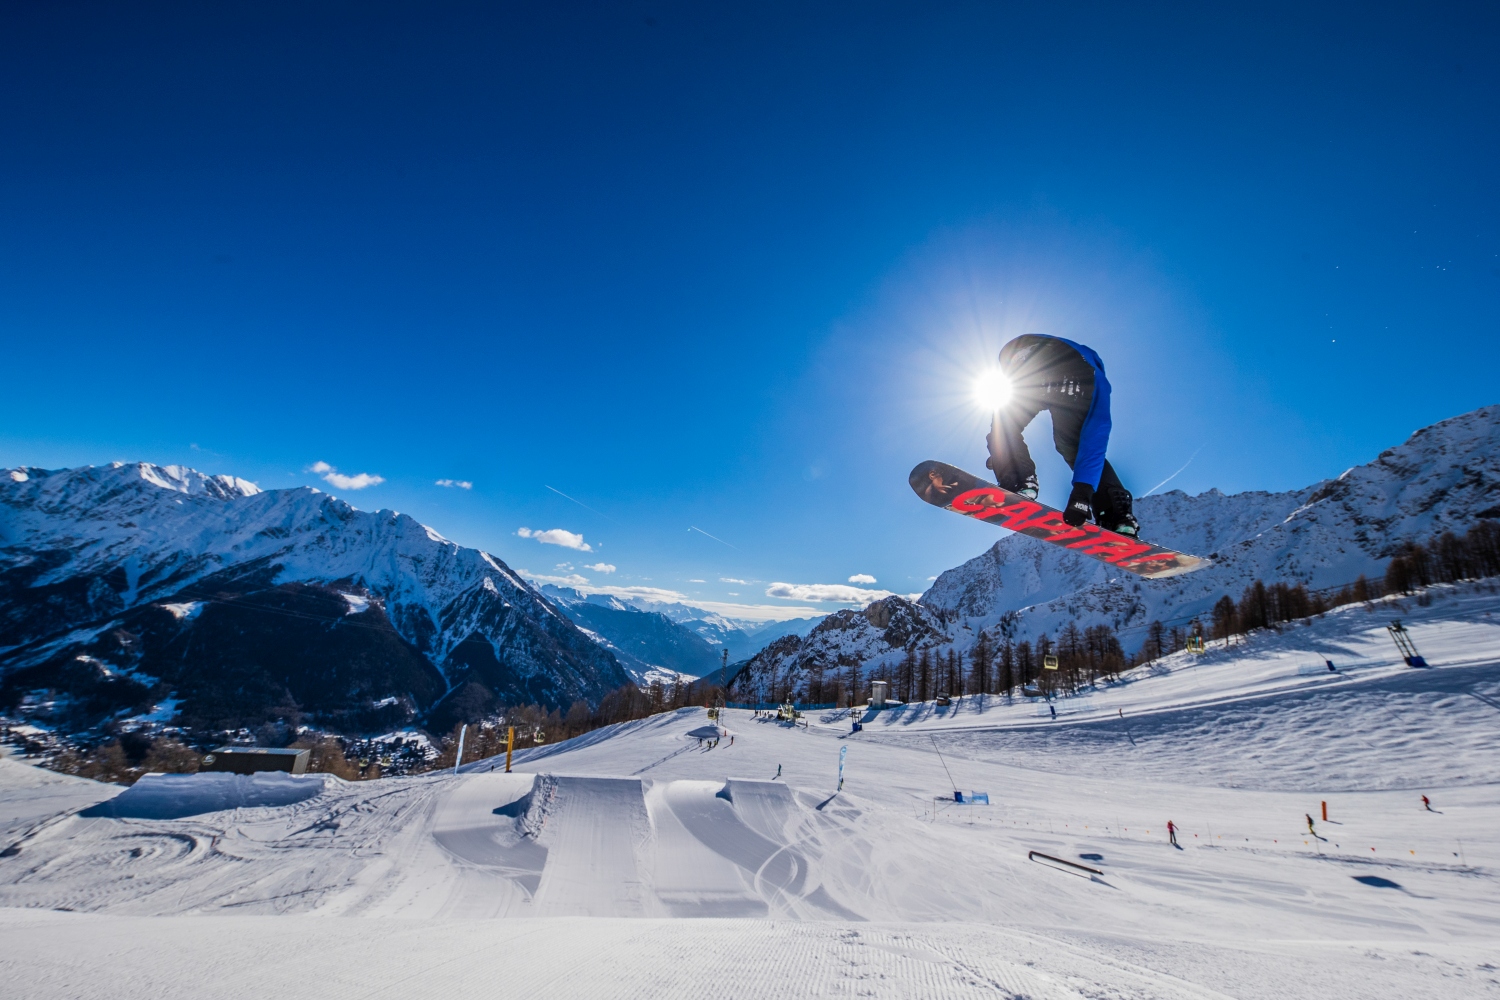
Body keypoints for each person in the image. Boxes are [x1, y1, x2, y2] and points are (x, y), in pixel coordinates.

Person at [985, 334, 1139, 536]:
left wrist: (1002, 454)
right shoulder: (1094, 383)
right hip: (1060, 368)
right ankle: (1117, 516)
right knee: (1071, 444)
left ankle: (1019, 481)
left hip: (1028, 363)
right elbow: (1094, 441)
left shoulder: (1086, 378)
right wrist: (1083, 492)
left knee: (1002, 428)